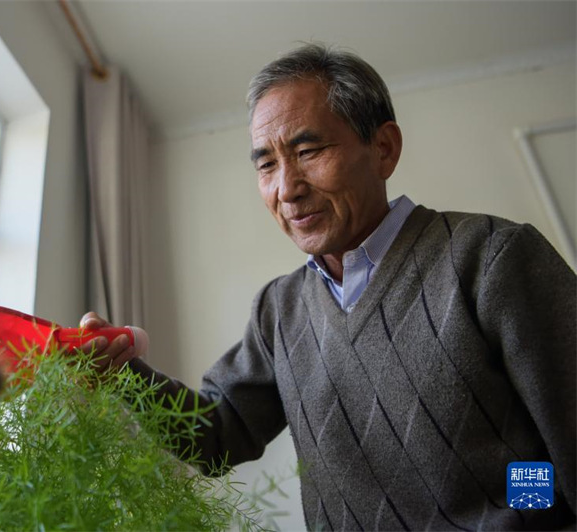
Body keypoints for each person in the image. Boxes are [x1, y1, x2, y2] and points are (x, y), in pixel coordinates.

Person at [80, 43, 576, 531]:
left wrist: (519, 513)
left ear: (384, 149)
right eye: (266, 164)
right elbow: (215, 435)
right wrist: (121, 371)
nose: (287, 189)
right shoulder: (278, 311)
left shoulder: (491, 257)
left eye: (308, 151)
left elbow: (562, 440)